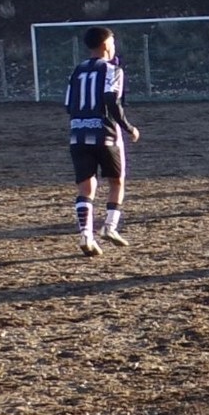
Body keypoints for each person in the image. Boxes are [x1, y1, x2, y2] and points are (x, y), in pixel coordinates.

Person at [65, 26, 141, 256]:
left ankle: (85, 234)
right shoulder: (112, 70)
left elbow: (68, 105)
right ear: (107, 44)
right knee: (116, 182)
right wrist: (128, 127)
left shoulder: (76, 72)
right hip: (105, 134)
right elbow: (111, 100)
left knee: (86, 187)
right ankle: (109, 227)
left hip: (77, 135)